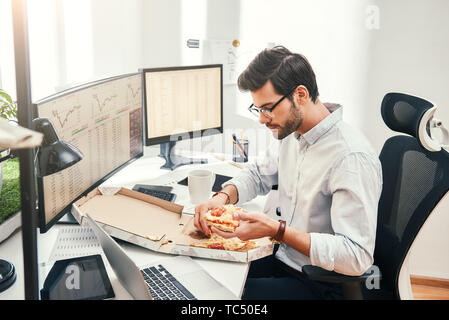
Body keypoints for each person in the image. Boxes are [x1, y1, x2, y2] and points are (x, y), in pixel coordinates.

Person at [194, 46, 383, 300]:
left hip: (321, 283)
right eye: (258, 109)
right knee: (203, 276)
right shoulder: (293, 133)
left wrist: (277, 229)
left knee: (219, 297)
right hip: (283, 258)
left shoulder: (350, 157)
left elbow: (356, 256)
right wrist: (222, 198)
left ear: (300, 95)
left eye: (268, 108)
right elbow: (259, 175)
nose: (262, 119)